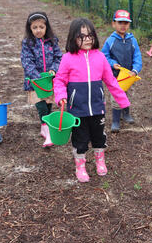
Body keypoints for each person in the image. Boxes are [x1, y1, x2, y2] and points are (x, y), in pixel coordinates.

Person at [54, 18, 130, 183]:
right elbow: (59, 80)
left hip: (97, 107)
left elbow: (111, 81)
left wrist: (123, 101)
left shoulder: (101, 57)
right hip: (77, 109)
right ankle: (80, 165)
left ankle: (99, 160)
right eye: (82, 36)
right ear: (73, 38)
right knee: (80, 139)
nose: (87, 39)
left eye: (90, 35)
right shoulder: (68, 58)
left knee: (99, 137)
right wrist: (60, 96)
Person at [20, 12, 62, 148]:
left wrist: (54, 70)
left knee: (48, 102)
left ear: (46, 27)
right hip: (35, 81)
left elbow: (58, 57)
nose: (38, 30)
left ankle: (45, 124)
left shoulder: (52, 40)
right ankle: (45, 126)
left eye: (41, 27)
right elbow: (26, 61)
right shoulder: (28, 43)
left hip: (49, 80)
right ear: (30, 29)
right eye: (35, 27)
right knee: (40, 104)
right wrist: (36, 77)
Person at [101, 9, 142, 132]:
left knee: (128, 95)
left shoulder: (132, 40)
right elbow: (104, 56)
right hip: (115, 76)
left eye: (126, 23)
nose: (123, 25)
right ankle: (115, 120)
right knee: (116, 97)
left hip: (129, 75)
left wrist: (135, 70)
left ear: (129, 24)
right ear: (114, 24)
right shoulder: (110, 41)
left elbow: (137, 56)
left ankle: (126, 114)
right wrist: (112, 64)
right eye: (120, 22)